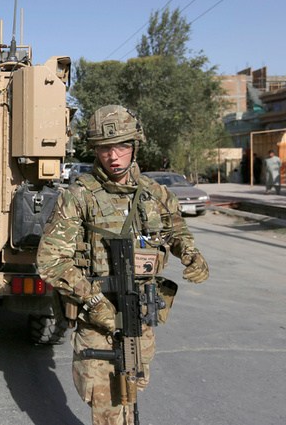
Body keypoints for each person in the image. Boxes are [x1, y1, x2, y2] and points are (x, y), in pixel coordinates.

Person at [37, 105, 209, 425]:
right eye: (104, 148)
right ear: (95, 151)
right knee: (104, 400)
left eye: (122, 146)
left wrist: (189, 252)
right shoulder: (78, 197)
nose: (114, 156)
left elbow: (174, 229)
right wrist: (93, 300)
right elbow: (50, 261)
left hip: (141, 312)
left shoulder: (155, 193)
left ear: (135, 145)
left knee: (133, 387)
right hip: (97, 315)